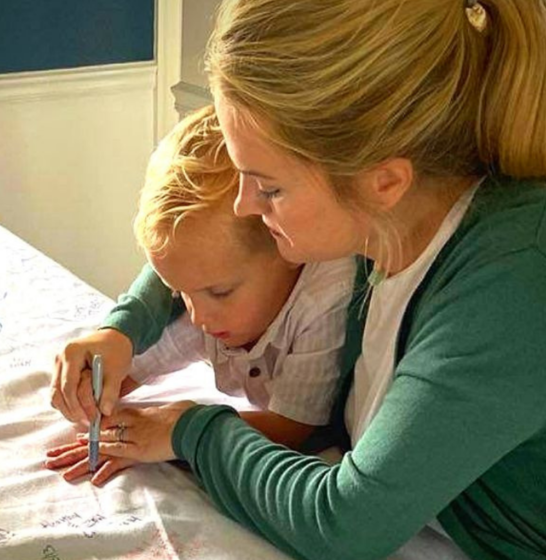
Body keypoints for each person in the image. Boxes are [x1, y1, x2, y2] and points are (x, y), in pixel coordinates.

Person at [49, 1, 546, 559]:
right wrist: (121, 328)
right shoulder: (376, 223)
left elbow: (343, 526)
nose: (245, 203)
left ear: (383, 181)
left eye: (269, 189)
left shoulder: (508, 289)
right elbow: (210, 236)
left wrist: (191, 429)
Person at [47, 106, 355, 485]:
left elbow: (294, 429)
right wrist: (93, 396)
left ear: (286, 245)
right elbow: (130, 371)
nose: (198, 317)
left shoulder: (327, 295)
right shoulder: (212, 300)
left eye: (219, 292)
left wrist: (175, 431)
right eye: (180, 293)